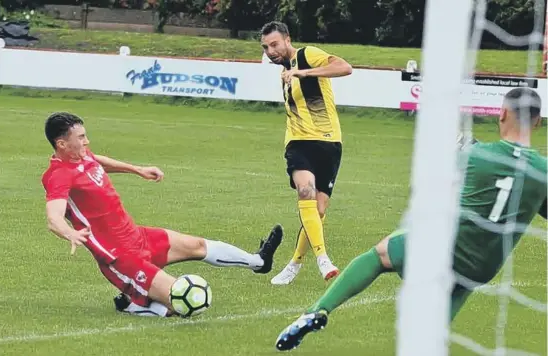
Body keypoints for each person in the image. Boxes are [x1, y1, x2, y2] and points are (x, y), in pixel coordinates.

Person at [274, 87, 547, 350]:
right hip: (483, 265)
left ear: (501, 114)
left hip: (448, 247)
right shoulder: (542, 172)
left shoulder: (477, 155)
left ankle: (317, 311)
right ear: (537, 123)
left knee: (378, 256)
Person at [41, 112, 284, 318]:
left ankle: (259, 262)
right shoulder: (59, 174)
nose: (87, 141)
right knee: (179, 302)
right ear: (62, 144)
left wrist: (137, 170)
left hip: (137, 236)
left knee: (197, 245)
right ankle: (134, 303)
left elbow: (98, 161)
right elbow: (54, 216)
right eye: (81, 137)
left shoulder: (83, 156)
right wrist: (69, 232)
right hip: (120, 258)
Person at [259, 21, 353, 285]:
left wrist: (305, 73)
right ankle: (324, 260)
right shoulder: (285, 70)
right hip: (298, 142)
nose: (270, 51)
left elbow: (345, 68)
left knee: (319, 210)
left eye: (274, 44)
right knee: (305, 190)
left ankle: (294, 264)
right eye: (266, 47)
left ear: (288, 39)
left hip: (329, 142)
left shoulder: (307, 55)